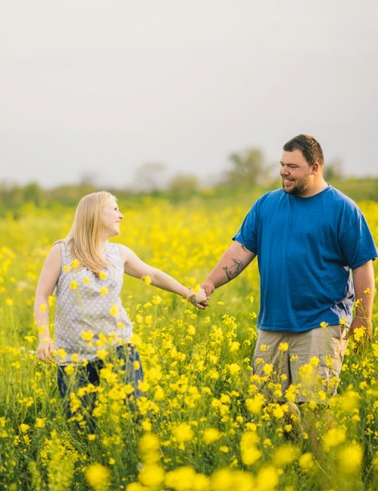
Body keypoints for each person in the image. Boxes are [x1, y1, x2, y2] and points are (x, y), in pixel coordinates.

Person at [196, 134, 376, 433]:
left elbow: (362, 266)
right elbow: (241, 251)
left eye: (292, 166)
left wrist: (363, 317)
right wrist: (210, 283)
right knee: (270, 404)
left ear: (315, 167)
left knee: (315, 407)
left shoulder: (342, 208)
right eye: (281, 164)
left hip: (322, 322)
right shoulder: (267, 205)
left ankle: (324, 474)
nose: (283, 171)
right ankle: (293, 459)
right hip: (273, 322)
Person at [34, 191, 205, 429]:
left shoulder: (118, 253)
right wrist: (44, 337)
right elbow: (42, 295)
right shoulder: (62, 251)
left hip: (117, 343)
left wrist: (188, 294)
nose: (121, 215)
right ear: (95, 214)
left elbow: (152, 274)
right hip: (74, 351)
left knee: (138, 407)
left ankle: (146, 456)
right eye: (114, 209)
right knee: (79, 425)